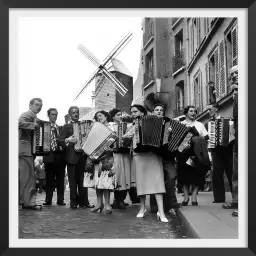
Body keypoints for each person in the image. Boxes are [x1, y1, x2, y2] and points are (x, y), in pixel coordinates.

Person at [122, 104, 168, 222]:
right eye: (131, 112)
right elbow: (126, 139)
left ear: (142, 112)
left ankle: (161, 212)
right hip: (139, 155)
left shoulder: (158, 121)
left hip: (153, 154)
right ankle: (142, 208)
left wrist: (168, 132)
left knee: (158, 183)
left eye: (135, 112)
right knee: (141, 183)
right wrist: (125, 136)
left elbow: (164, 137)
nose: (133, 114)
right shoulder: (132, 126)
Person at [58, 106, 94, 209]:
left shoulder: (85, 125)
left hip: (83, 156)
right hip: (71, 157)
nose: (76, 114)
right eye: (73, 113)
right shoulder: (66, 127)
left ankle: (84, 202)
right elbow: (59, 140)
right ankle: (73, 202)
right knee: (72, 181)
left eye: (77, 112)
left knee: (83, 181)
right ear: (70, 115)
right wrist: (67, 140)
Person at [149, 104, 180, 213]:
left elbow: (177, 140)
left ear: (163, 112)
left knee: (171, 177)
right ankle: (154, 205)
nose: (159, 112)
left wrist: (171, 135)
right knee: (155, 180)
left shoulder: (169, 123)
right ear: (153, 112)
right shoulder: (149, 123)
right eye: (156, 110)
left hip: (167, 156)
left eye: (161, 110)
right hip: (153, 156)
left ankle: (170, 203)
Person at [177, 105, 210, 206]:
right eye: (191, 111)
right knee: (183, 176)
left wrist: (197, 137)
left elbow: (206, 138)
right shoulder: (180, 124)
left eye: (195, 111)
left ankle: (194, 197)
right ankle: (186, 197)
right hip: (183, 153)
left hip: (196, 154)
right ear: (186, 113)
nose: (193, 113)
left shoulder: (199, 124)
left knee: (197, 176)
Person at [90, 110, 117, 214]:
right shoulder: (95, 128)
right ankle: (99, 203)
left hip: (107, 157)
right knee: (97, 181)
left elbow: (116, 141)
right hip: (96, 157)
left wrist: (111, 148)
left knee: (105, 181)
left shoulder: (112, 127)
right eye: (97, 117)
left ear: (106, 116)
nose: (99, 118)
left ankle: (107, 204)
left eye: (100, 116)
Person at [19, 97, 43, 210]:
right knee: (28, 177)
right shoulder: (27, 114)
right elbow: (20, 123)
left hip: (26, 150)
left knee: (25, 177)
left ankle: (23, 200)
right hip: (24, 149)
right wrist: (34, 125)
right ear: (30, 105)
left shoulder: (33, 117)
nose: (38, 107)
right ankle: (28, 203)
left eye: (40, 106)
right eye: (36, 105)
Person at [207, 103, 233, 203]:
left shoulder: (228, 120)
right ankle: (219, 198)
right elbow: (207, 137)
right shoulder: (208, 123)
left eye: (210, 109)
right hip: (216, 151)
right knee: (216, 174)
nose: (208, 111)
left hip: (228, 151)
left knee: (231, 173)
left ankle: (236, 197)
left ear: (216, 109)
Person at [222, 65, 238, 217]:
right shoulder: (236, 95)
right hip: (238, 140)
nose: (234, 76)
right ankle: (236, 201)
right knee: (236, 173)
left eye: (237, 73)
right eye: (232, 74)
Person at [109, 108, 132, 209]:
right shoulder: (110, 126)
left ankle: (122, 199)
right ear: (113, 117)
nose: (120, 116)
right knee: (118, 176)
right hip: (116, 153)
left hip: (125, 153)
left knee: (126, 176)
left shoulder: (127, 125)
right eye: (118, 115)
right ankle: (117, 200)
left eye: (121, 114)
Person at [43, 108, 66, 206]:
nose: (54, 116)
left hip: (60, 155)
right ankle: (48, 200)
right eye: (52, 114)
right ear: (48, 115)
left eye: (56, 114)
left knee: (61, 179)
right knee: (49, 179)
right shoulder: (44, 126)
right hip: (49, 155)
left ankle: (60, 200)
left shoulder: (60, 128)